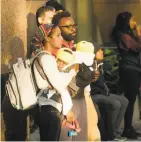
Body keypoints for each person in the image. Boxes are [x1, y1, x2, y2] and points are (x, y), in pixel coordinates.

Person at [33, 24, 80, 141]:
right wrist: (72, 71)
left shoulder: (45, 57)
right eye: (58, 35)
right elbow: (59, 84)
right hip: (50, 109)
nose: (61, 39)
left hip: (49, 108)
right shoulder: (46, 58)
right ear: (47, 38)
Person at [111, 11, 141, 139]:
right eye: (132, 20)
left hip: (134, 69)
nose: (134, 22)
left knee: (131, 99)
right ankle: (127, 128)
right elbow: (136, 47)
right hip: (129, 70)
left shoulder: (127, 34)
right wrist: (139, 35)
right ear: (126, 21)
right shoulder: (122, 35)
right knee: (130, 99)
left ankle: (129, 127)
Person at [91, 44, 129, 141]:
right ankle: (110, 134)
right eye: (99, 50)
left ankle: (115, 133)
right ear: (93, 53)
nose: (102, 52)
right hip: (94, 95)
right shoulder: (90, 65)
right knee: (115, 104)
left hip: (103, 93)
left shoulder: (99, 64)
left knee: (124, 101)